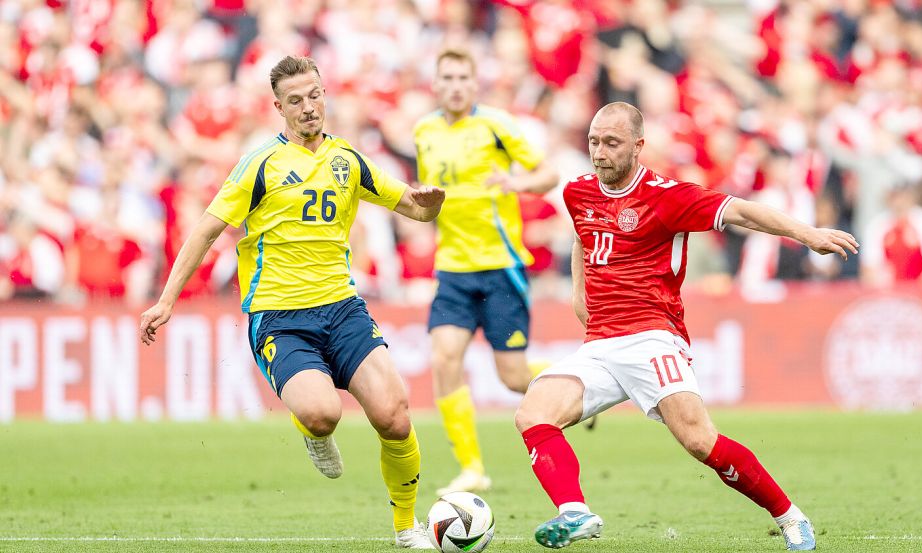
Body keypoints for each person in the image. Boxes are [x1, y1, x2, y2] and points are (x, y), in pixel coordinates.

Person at [513, 103, 859, 551]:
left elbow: (745, 213)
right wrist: (580, 296)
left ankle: (790, 517)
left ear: (638, 147)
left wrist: (809, 235)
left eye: (612, 143)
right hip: (600, 344)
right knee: (533, 414)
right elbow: (583, 235)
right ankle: (575, 512)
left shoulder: (668, 196)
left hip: (653, 336)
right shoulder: (578, 191)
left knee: (699, 441)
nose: (599, 152)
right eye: (594, 141)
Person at [139, 55, 444, 549]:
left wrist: (429, 205)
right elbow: (206, 229)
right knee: (323, 414)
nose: (308, 107)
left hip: (343, 309)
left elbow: (412, 206)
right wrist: (166, 300)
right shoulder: (259, 164)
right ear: (278, 107)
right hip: (280, 318)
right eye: (296, 100)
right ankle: (315, 432)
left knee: (395, 416)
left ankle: (407, 528)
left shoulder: (349, 159)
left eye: (315, 95)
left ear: (325, 95)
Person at [412, 48, 559, 495]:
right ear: (435, 85)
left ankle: (576, 382)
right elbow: (432, 197)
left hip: (501, 267)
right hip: (453, 269)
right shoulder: (424, 132)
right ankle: (472, 468)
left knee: (513, 378)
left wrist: (518, 183)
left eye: (462, 77)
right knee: (443, 359)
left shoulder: (497, 125)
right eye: (447, 77)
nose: (455, 85)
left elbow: (548, 174)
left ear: (474, 83)